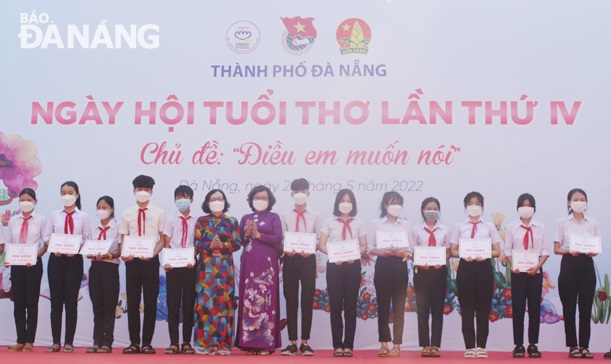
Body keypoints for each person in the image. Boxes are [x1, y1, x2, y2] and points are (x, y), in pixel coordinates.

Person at [449, 191, 501, 359]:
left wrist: (484, 253)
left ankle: (482, 346)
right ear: (465, 207)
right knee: (467, 308)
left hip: (484, 267)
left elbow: (497, 251)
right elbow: (453, 251)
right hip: (465, 267)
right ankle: (470, 346)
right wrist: (464, 254)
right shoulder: (459, 227)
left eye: (477, 203)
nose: (474, 206)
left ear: (482, 207)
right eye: (471, 203)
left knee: (483, 308)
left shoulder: (489, 227)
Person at [42, 181, 91, 353]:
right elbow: (46, 236)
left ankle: (69, 341)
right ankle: (56, 342)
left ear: (77, 195)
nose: (67, 195)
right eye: (64, 192)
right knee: (56, 302)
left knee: (71, 302)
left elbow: (86, 238)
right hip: (56, 261)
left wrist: (76, 249)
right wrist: (52, 246)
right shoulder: (54, 215)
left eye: (71, 192)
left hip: (74, 261)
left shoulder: (83, 216)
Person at [319, 189, 367, 357]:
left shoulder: (358, 223)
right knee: (336, 306)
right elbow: (322, 244)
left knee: (351, 307)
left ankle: (349, 345)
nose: (345, 204)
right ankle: (337, 345)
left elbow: (363, 246)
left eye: (349, 201)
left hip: (353, 266)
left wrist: (355, 255)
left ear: (353, 204)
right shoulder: (329, 222)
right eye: (342, 200)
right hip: (335, 266)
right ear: (337, 203)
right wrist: (333, 255)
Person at [120, 175, 165, 354]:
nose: (143, 192)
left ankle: (147, 343)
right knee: (132, 302)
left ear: (152, 192)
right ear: (134, 191)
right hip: (132, 262)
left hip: (150, 261)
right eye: (140, 189)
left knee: (150, 302)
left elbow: (162, 239)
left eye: (146, 190)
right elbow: (124, 238)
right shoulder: (126, 213)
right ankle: (133, 342)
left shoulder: (159, 212)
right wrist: (124, 254)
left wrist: (153, 253)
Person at [193, 189, 241, 355]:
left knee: (224, 304)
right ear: (207, 202)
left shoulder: (232, 221)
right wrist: (210, 246)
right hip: (205, 269)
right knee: (204, 305)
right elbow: (197, 243)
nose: (217, 201)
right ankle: (203, 343)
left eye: (220, 198)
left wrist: (223, 246)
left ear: (225, 201)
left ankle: (223, 345)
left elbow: (237, 243)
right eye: (213, 199)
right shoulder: (202, 221)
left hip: (225, 269)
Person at [236, 185, 283, 355]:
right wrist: (247, 234)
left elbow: (278, 238)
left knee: (266, 299)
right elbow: (238, 241)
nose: (260, 200)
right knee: (250, 300)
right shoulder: (245, 217)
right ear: (251, 199)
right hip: (249, 263)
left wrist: (258, 235)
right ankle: (248, 343)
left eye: (264, 197)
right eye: (257, 197)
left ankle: (266, 344)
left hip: (267, 265)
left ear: (269, 200)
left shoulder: (273, 217)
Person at [554, 188, 598, 359]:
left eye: (582, 199)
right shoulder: (562, 223)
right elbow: (556, 248)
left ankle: (585, 346)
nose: (579, 202)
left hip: (587, 266)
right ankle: (573, 346)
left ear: (586, 203)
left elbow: (596, 246)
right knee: (569, 308)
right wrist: (569, 250)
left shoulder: (592, 223)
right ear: (569, 203)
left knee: (586, 308)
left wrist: (592, 251)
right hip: (568, 266)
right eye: (576, 199)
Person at [1, 188, 46, 352]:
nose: (25, 202)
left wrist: (34, 257)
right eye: (22, 200)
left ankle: (29, 341)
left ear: (35, 201)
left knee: (31, 303)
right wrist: (8, 259)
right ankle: (20, 340)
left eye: (28, 199)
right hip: (17, 266)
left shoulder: (41, 220)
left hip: (33, 265)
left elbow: (45, 244)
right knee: (18, 302)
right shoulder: (13, 221)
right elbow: (10, 243)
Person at [504, 193, 549, 358]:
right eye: (523, 204)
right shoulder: (511, 227)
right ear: (518, 207)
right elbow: (508, 250)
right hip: (517, 272)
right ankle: (518, 345)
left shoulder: (540, 227)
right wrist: (513, 264)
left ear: (534, 208)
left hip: (535, 271)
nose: (526, 207)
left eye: (529, 204)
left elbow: (545, 251)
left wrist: (537, 266)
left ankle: (533, 344)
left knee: (535, 308)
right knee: (518, 308)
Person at [368, 191, 411, 357]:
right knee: (383, 306)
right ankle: (384, 344)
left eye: (398, 203)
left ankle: (397, 345)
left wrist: (404, 254)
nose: (395, 207)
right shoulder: (377, 223)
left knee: (399, 307)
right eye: (392, 203)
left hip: (400, 266)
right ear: (385, 205)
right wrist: (381, 252)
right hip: (383, 265)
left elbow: (410, 249)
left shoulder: (405, 224)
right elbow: (370, 247)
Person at [280, 178, 320, 356]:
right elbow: (282, 240)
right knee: (291, 301)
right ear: (291, 194)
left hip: (308, 260)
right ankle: (292, 342)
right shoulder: (285, 215)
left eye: (303, 191)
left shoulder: (316, 215)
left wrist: (310, 250)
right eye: (296, 191)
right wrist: (286, 249)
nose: (300, 194)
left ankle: (305, 341)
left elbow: (318, 241)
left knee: (306, 301)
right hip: (290, 260)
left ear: (309, 193)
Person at [412, 197, 450, 358]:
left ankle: (435, 345)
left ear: (439, 211)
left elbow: (448, 251)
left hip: (439, 271)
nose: (432, 210)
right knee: (422, 309)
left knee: (437, 309)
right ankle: (425, 345)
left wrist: (442, 261)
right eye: (429, 208)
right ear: (423, 210)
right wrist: (419, 263)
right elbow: (412, 251)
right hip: (421, 272)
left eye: (435, 208)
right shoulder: (416, 230)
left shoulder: (445, 230)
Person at [162, 185, 197, 355]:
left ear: (191, 199)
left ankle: (186, 342)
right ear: (174, 200)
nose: (182, 200)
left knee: (189, 304)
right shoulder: (170, 219)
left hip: (190, 266)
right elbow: (167, 241)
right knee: (173, 304)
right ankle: (174, 342)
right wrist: (167, 261)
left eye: (185, 197)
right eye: (178, 197)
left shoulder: (197, 221)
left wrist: (194, 258)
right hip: (173, 267)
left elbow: (197, 243)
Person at [86, 196, 121, 354]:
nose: (101, 210)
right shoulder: (92, 228)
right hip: (95, 268)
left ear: (112, 209)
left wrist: (108, 256)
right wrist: (88, 252)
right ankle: (96, 341)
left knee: (109, 306)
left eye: (104, 207)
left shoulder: (118, 228)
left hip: (110, 269)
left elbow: (122, 250)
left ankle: (107, 342)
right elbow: (87, 245)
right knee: (97, 306)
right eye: (99, 207)